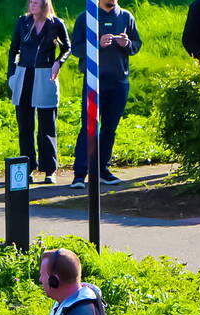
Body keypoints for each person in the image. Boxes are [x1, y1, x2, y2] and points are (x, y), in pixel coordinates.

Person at [69, 0, 142, 189]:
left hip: (119, 82)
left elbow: (136, 44)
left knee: (110, 128)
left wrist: (126, 44)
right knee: (89, 126)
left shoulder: (126, 16)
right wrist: (97, 43)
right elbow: (76, 49)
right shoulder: (86, 17)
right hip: (94, 82)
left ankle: (103, 170)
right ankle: (80, 174)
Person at [7, 0, 71, 185]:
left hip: (45, 75)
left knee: (46, 125)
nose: (32, 5)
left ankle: (49, 169)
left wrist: (58, 62)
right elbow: (13, 49)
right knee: (25, 126)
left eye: (36, 2)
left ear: (44, 4)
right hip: (24, 74)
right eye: (31, 2)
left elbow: (67, 47)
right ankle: (27, 168)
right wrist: (12, 75)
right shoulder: (23, 22)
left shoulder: (56, 23)